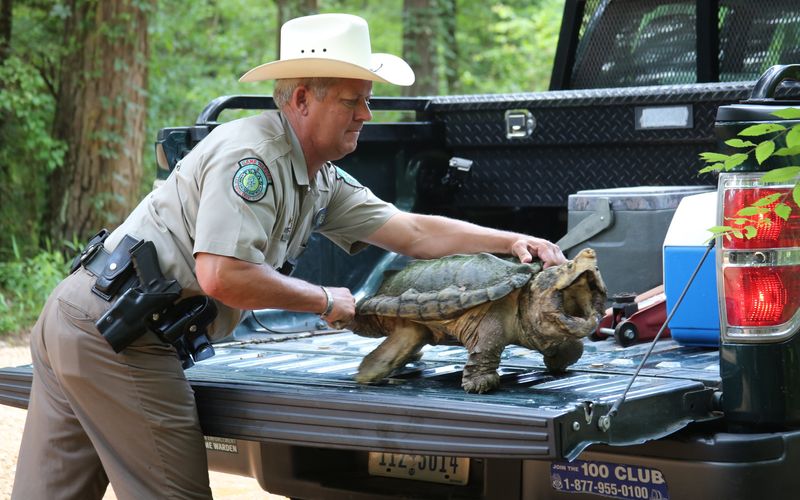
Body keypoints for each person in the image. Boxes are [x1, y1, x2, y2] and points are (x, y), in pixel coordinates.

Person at [12, 13, 566, 500]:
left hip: (82, 316)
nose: (367, 115)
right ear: (301, 98)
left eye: (367, 100)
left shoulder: (318, 175)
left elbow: (413, 231)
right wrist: (326, 301)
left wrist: (508, 242)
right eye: (353, 101)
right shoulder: (251, 157)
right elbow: (221, 275)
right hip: (123, 336)